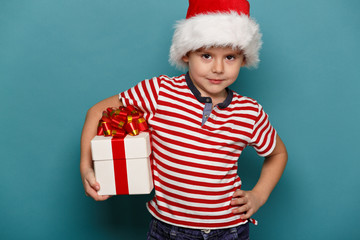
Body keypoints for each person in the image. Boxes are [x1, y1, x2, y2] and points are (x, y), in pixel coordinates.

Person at [80, 0, 288, 239]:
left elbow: (278, 153)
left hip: (228, 230)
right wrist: (86, 167)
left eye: (230, 57)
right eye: (207, 55)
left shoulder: (249, 112)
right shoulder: (158, 92)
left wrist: (259, 195)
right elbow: (96, 112)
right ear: (187, 53)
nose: (218, 68)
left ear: (244, 59)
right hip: (168, 229)